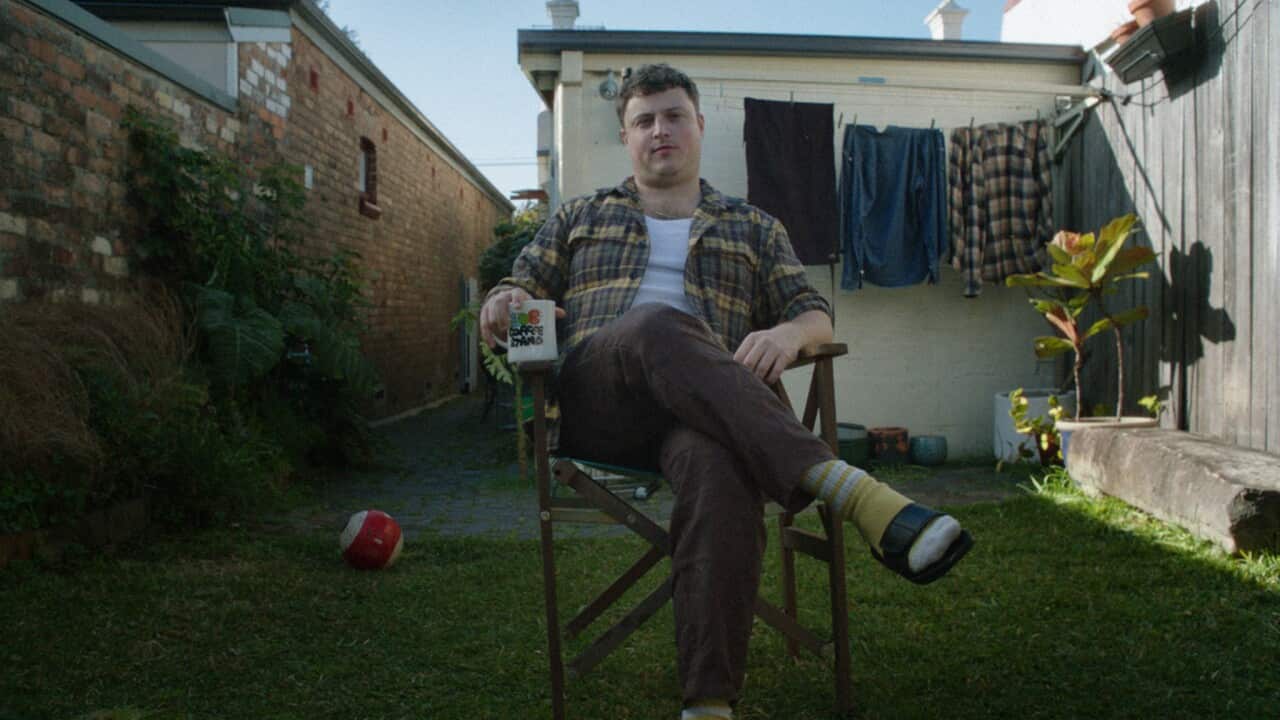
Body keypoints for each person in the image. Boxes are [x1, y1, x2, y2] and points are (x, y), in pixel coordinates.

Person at [480, 63, 972, 720]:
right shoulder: (579, 216)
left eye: (673, 115)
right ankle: (854, 492)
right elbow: (517, 292)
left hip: (707, 416)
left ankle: (708, 704)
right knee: (658, 324)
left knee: (721, 469)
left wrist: (792, 336)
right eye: (644, 120)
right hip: (606, 398)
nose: (660, 130)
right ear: (627, 137)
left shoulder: (753, 226)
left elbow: (811, 309)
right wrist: (504, 302)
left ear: (699, 126)